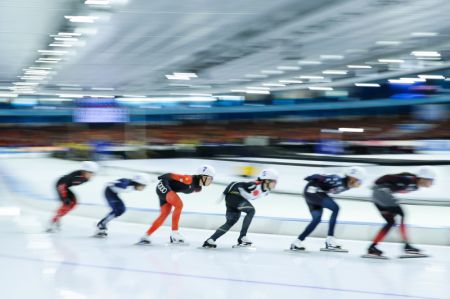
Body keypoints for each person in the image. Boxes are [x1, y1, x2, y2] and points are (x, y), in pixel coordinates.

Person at [290, 166, 366, 251]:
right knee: (336, 208)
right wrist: (312, 177)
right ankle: (330, 240)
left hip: (311, 193)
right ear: (353, 178)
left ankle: (297, 242)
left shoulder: (346, 185)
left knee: (317, 219)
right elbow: (322, 177)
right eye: (360, 181)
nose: (360, 184)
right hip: (313, 192)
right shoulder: (337, 179)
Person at [366, 167, 436, 258]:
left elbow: (395, 187)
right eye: (431, 180)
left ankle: (372, 247)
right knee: (402, 214)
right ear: (423, 178)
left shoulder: (415, 186)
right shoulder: (408, 180)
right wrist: (376, 184)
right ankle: (407, 246)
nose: (432, 183)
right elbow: (387, 177)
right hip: (381, 193)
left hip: (378, 197)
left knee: (390, 222)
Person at [137, 165, 215, 245]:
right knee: (179, 205)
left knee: (164, 214)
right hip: (164, 186)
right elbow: (169, 175)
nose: (210, 181)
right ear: (201, 176)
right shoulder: (188, 179)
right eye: (209, 178)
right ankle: (175, 234)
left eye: (211, 179)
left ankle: (145, 236)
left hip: (168, 190)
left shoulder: (197, 187)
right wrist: (157, 178)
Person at [202, 168, 278, 248]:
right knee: (251, 211)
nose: (275, 184)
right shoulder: (254, 185)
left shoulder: (265, 192)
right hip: (234, 196)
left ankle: (210, 240)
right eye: (274, 182)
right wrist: (223, 194)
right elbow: (234, 183)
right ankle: (242, 237)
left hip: (233, 200)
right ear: (266, 180)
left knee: (231, 222)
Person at [46, 161, 99, 232]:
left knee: (74, 203)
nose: (92, 175)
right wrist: (64, 197)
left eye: (93, 174)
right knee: (66, 204)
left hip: (66, 187)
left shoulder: (85, 178)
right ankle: (52, 222)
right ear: (85, 171)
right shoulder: (75, 176)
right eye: (91, 173)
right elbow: (62, 185)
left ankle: (58, 218)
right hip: (60, 186)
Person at [94, 173, 151, 237]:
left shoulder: (130, 184)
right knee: (119, 209)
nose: (144, 188)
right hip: (109, 192)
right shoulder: (126, 183)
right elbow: (110, 183)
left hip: (114, 193)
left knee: (121, 210)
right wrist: (117, 183)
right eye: (144, 186)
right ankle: (102, 224)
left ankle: (102, 223)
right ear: (138, 183)